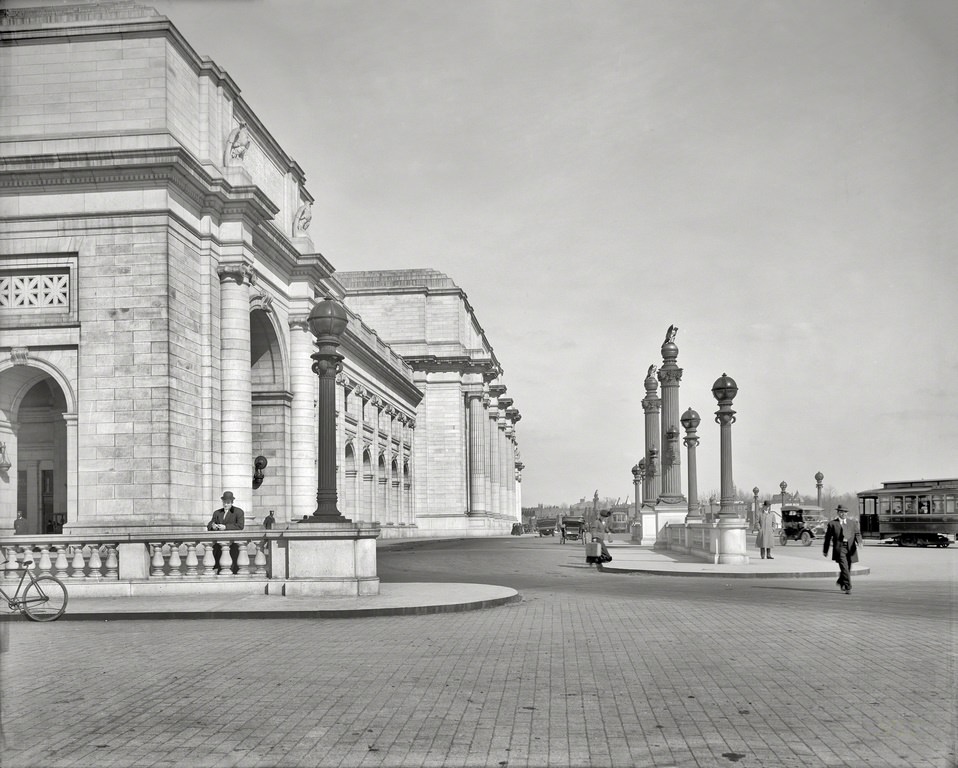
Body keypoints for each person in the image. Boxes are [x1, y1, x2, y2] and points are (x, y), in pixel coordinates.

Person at [822, 505, 862, 593]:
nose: (843, 514)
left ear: (847, 513)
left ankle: (841, 581)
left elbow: (857, 533)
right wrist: (825, 550)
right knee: (844, 568)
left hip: (851, 548)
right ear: (838, 513)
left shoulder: (852, 523)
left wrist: (859, 542)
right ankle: (848, 587)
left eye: (845, 512)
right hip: (840, 549)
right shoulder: (832, 524)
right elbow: (827, 538)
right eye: (841, 512)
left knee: (848, 568)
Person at [207, 492, 245, 574]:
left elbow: (240, 526)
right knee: (219, 568)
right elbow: (210, 524)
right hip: (219, 545)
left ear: (232, 502)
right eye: (224, 502)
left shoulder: (238, 512)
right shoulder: (217, 513)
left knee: (233, 567)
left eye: (228, 503)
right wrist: (213, 526)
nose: (226, 504)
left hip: (233, 544)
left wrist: (226, 527)